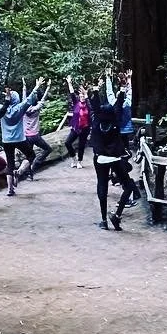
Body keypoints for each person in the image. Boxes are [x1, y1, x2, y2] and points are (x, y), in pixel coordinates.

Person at [90, 72, 135, 229]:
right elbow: (118, 104)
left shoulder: (96, 120)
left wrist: (96, 89)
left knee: (102, 186)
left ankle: (103, 220)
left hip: (100, 158)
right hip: (115, 158)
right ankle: (117, 215)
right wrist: (123, 87)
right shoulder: (115, 119)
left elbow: (95, 106)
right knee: (128, 186)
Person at [0, 78, 43, 195]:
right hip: (19, 139)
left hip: (6, 140)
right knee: (31, 155)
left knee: (10, 162)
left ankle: (10, 190)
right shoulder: (20, 107)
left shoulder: (1, 109)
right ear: (17, 99)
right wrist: (37, 86)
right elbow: (29, 99)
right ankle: (21, 171)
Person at [22, 78, 52, 175]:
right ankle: (34, 166)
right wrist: (48, 87)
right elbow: (43, 98)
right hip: (35, 136)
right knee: (48, 149)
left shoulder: (24, 107)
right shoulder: (37, 108)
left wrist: (24, 87)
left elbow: (24, 98)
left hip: (26, 136)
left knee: (29, 155)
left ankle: (27, 172)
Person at [63, 77, 92, 168]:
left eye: (83, 96)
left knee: (81, 145)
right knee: (67, 143)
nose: (82, 97)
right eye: (81, 96)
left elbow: (91, 109)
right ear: (79, 97)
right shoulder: (76, 103)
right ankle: (73, 158)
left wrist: (86, 94)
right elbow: (72, 93)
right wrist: (69, 83)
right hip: (76, 128)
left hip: (85, 128)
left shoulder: (88, 105)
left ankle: (79, 161)